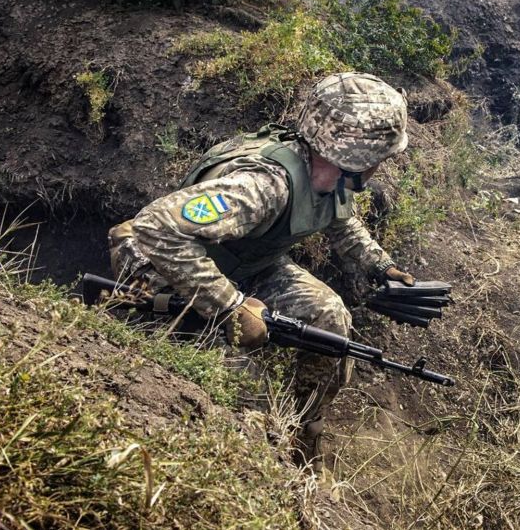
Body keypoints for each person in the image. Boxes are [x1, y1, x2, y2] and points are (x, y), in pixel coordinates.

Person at [107, 72, 416, 471]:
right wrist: (230, 307)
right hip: (164, 268)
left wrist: (380, 264)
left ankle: (304, 432)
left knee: (331, 319)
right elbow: (155, 228)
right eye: (380, 157)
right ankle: (268, 452)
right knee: (249, 391)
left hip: (247, 264)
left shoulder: (330, 175)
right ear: (357, 154)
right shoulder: (263, 185)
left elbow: (339, 217)